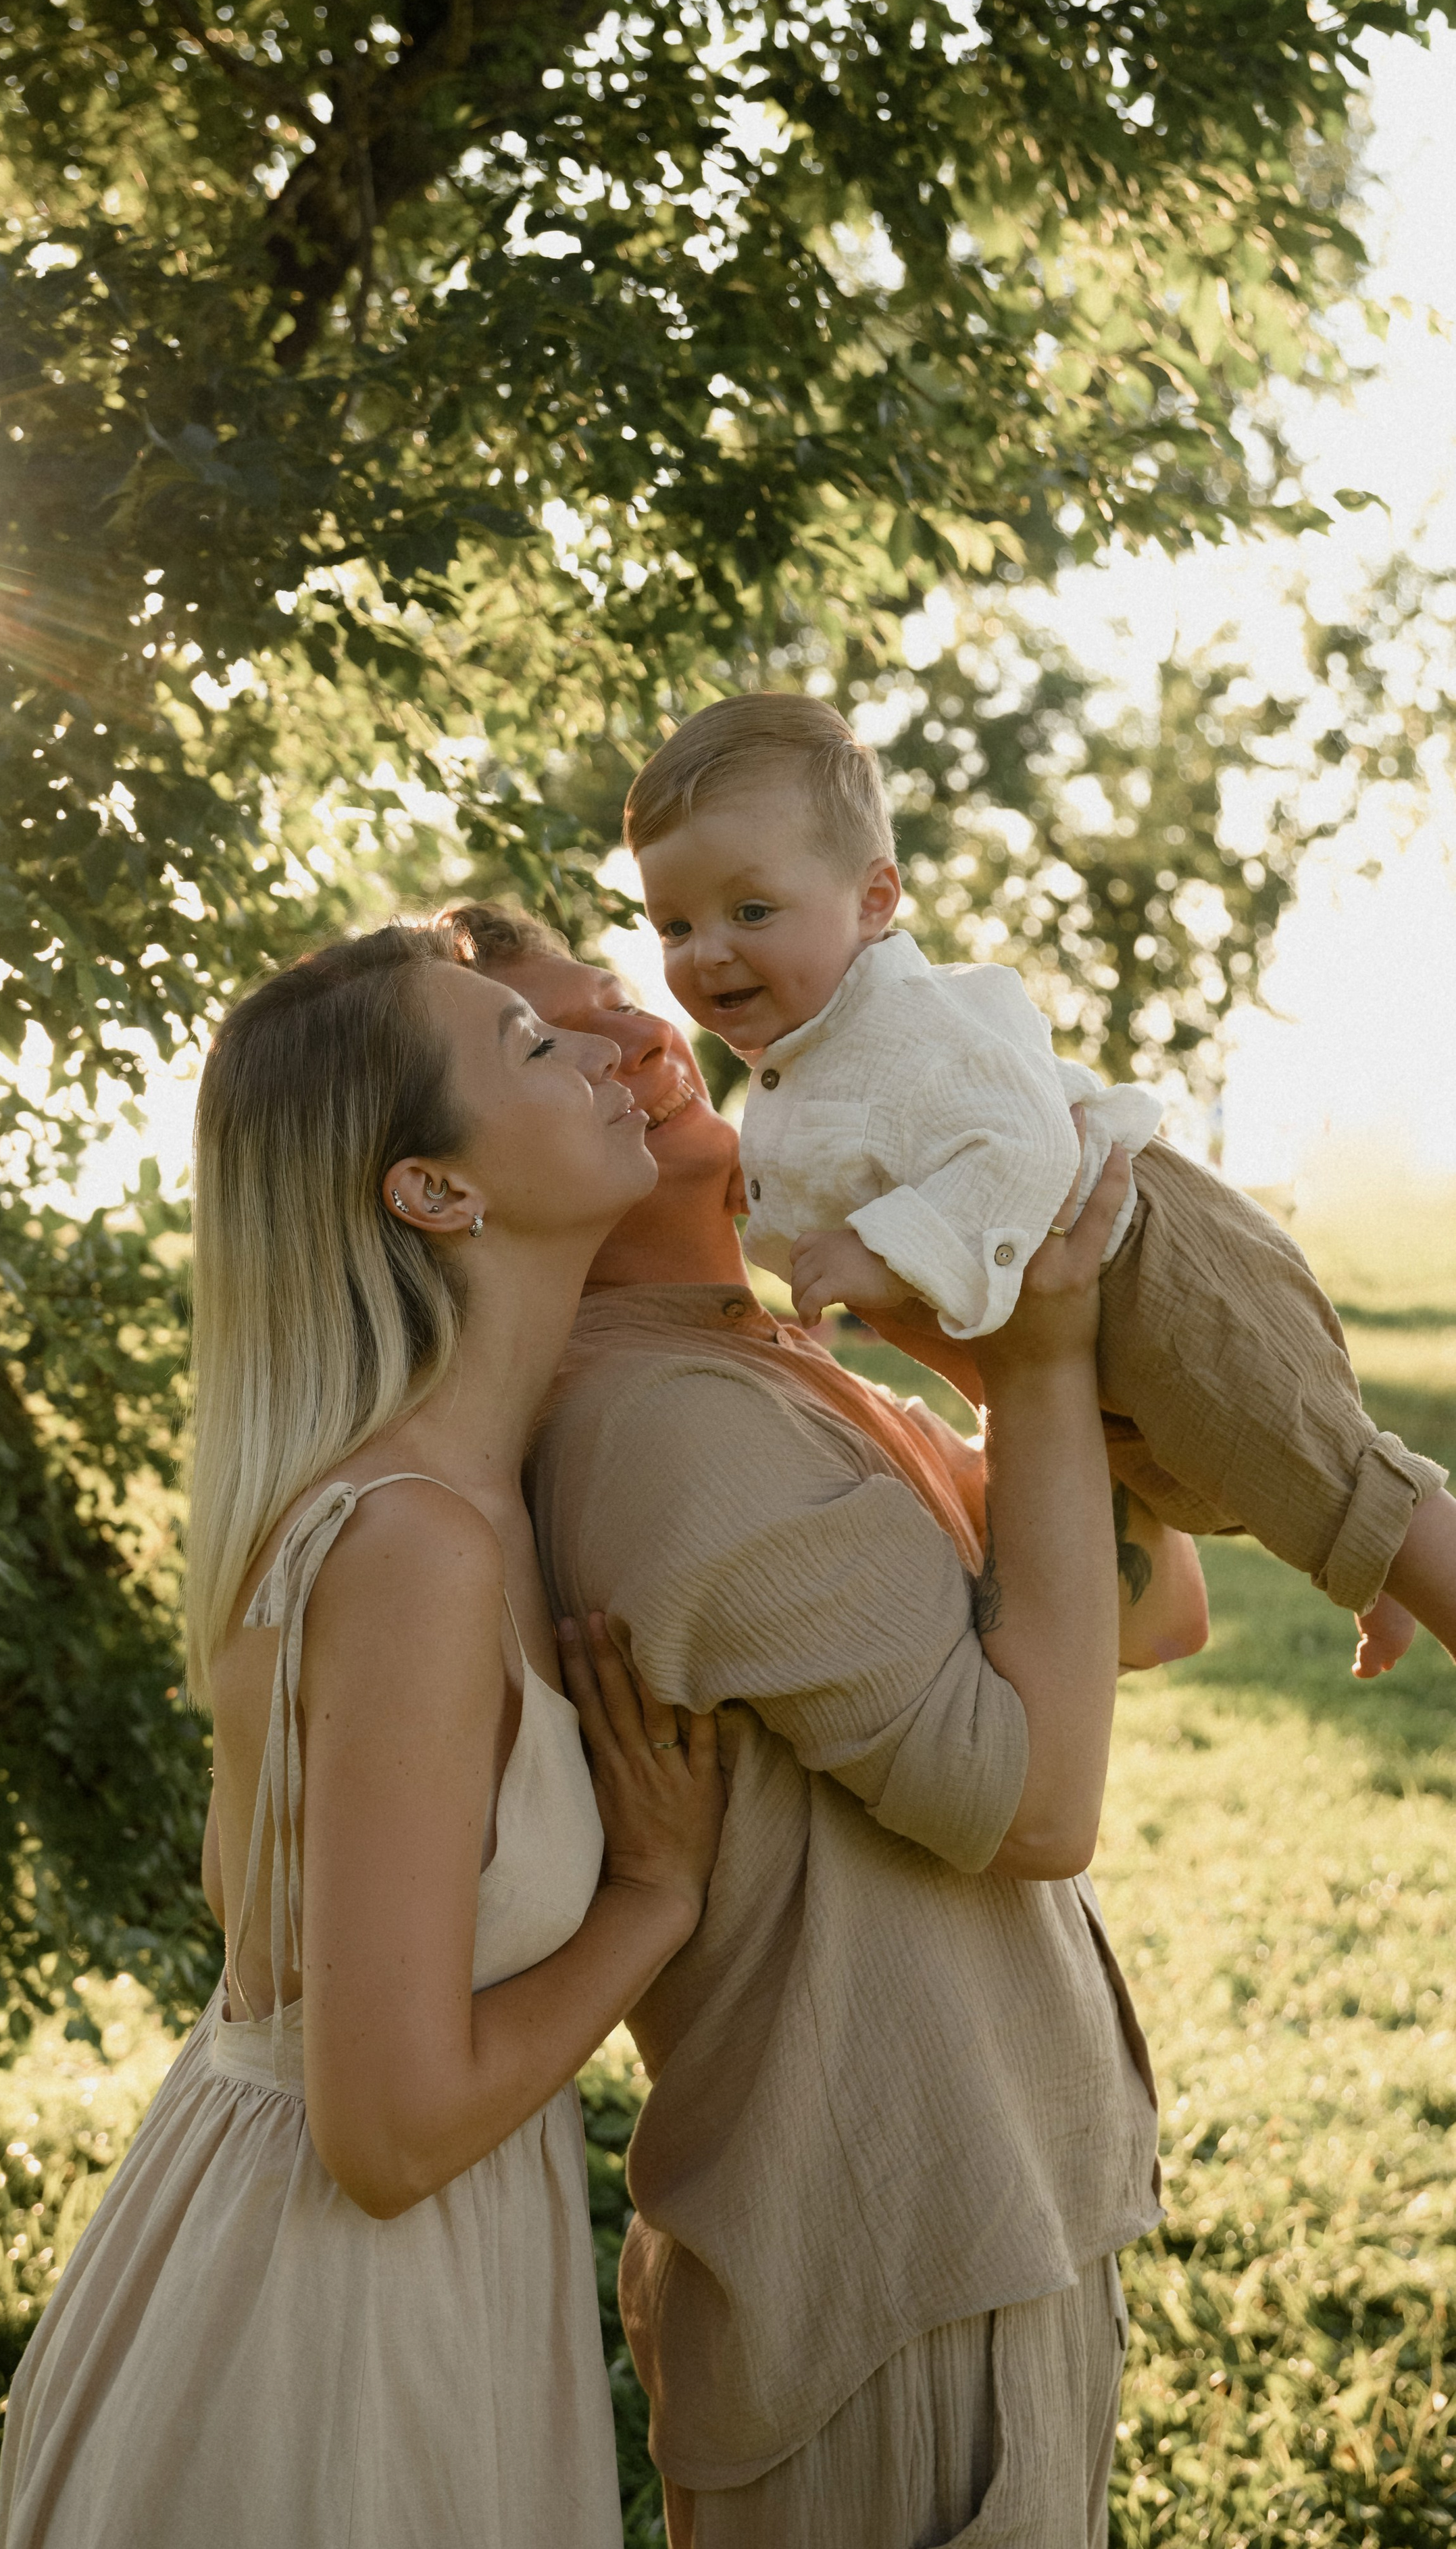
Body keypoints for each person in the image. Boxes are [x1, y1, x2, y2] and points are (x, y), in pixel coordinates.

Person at [445, 897, 1211, 2549]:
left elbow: (1152, 1607)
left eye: (614, 993)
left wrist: (989, 1287)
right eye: (548, 1040)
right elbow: (1032, 1804)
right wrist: (1044, 1362)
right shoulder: (662, 1429)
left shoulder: (772, 1360)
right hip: (884, 2281)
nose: (642, 1032)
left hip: (984, 2231)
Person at [0, 923, 725, 2549]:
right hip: (328, 2337)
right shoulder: (413, 1552)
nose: (602, 1051)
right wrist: (650, 1906)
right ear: (433, 1193)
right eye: (531, 1050)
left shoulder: (477, 1492)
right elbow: (385, 2133)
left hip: (386, 2275)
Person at [623, 691, 1455, 1683]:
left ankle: (1411, 1562)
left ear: (875, 901)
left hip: (1149, 1256)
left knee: (1295, 1448)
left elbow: (1022, 1147)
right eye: (674, 924)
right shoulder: (807, 1058)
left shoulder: (917, 1020)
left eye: (750, 910)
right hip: (1089, 1311)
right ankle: (1387, 1569)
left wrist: (883, 1249)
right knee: (1249, 1474)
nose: (707, 950)